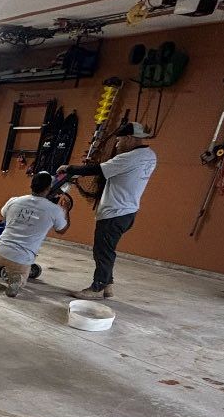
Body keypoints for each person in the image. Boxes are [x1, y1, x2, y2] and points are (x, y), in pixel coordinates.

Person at [57, 122, 157, 299]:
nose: (117, 144)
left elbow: (98, 169)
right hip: (128, 211)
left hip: (115, 211)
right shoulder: (149, 155)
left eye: (119, 140)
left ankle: (98, 287)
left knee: (103, 251)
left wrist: (70, 169)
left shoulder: (129, 158)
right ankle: (108, 285)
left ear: (129, 138)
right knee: (106, 249)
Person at [0, 171, 69, 298]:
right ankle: (16, 281)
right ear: (48, 188)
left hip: (0, 250)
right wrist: (66, 211)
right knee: (22, 275)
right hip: (22, 257)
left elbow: (3, 215)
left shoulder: (14, 201)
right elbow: (62, 230)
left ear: (31, 185)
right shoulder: (54, 210)